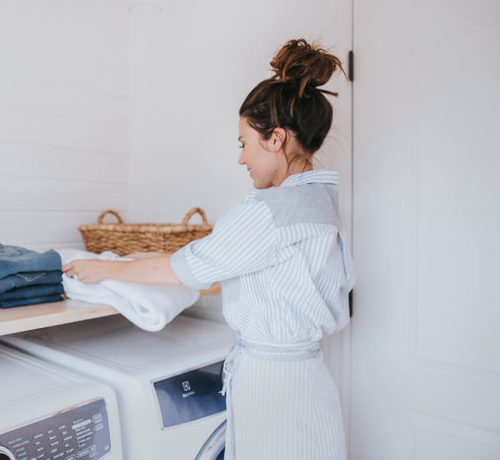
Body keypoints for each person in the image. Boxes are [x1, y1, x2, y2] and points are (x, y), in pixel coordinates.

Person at [62, 38, 355, 460]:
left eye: (243, 143)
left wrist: (102, 269)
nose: (241, 159)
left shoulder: (270, 211)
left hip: (273, 387)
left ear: (275, 138)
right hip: (306, 379)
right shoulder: (320, 203)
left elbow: (182, 270)